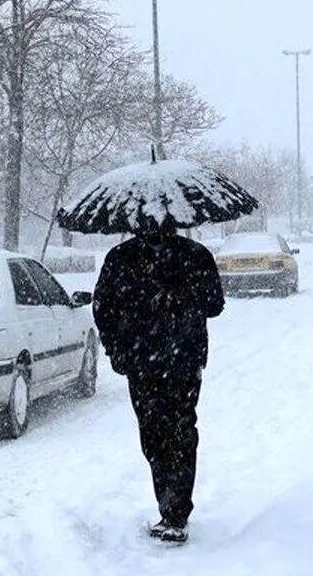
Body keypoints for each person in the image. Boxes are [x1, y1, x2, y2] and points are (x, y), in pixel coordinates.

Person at [92, 216, 225, 544]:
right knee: (169, 434)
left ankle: (174, 510)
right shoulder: (126, 258)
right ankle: (173, 508)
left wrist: (180, 291)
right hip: (157, 362)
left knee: (165, 434)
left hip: (167, 361)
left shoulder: (188, 255)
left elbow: (213, 304)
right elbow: (104, 309)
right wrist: (117, 348)